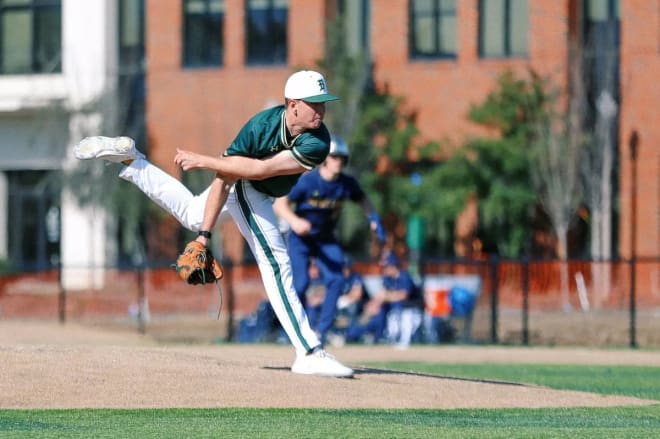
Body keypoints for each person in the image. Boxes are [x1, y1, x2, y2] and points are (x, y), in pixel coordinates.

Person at [74, 70, 354, 378]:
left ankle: (132, 161)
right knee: (276, 261)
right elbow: (228, 176)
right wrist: (205, 237)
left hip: (255, 182)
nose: (321, 110)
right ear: (293, 105)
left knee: (193, 213)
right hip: (247, 188)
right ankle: (309, 351)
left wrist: (204, 162)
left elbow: (262, 170)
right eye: (314, 103)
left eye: (323, 102)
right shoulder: (260, 127)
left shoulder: (319, 141)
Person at [272, 136, 385, 346]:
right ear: (325, 159)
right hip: (302, 239)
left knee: (336, 279)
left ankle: (320, 332)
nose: (338, 161)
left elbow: (363, 199)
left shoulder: (346, 184)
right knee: (301, 283)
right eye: (334, 157)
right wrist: (294, 221)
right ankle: (293, 329)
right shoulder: (308, 181)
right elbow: (279, 205)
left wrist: (372, 218)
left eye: (342, 158)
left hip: (325, 239)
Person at [376, 252, 423, 348]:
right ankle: (389, 339)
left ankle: (405, 342)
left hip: (413, 309)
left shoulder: (405, 276)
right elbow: (381, 295)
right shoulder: (387, 278)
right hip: (397, 309)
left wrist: (388, 296)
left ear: (393, 266)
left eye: (387, 267)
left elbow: (403, 295)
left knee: (406, 317)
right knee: (389, 316)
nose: (385, 269)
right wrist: (389, 296)